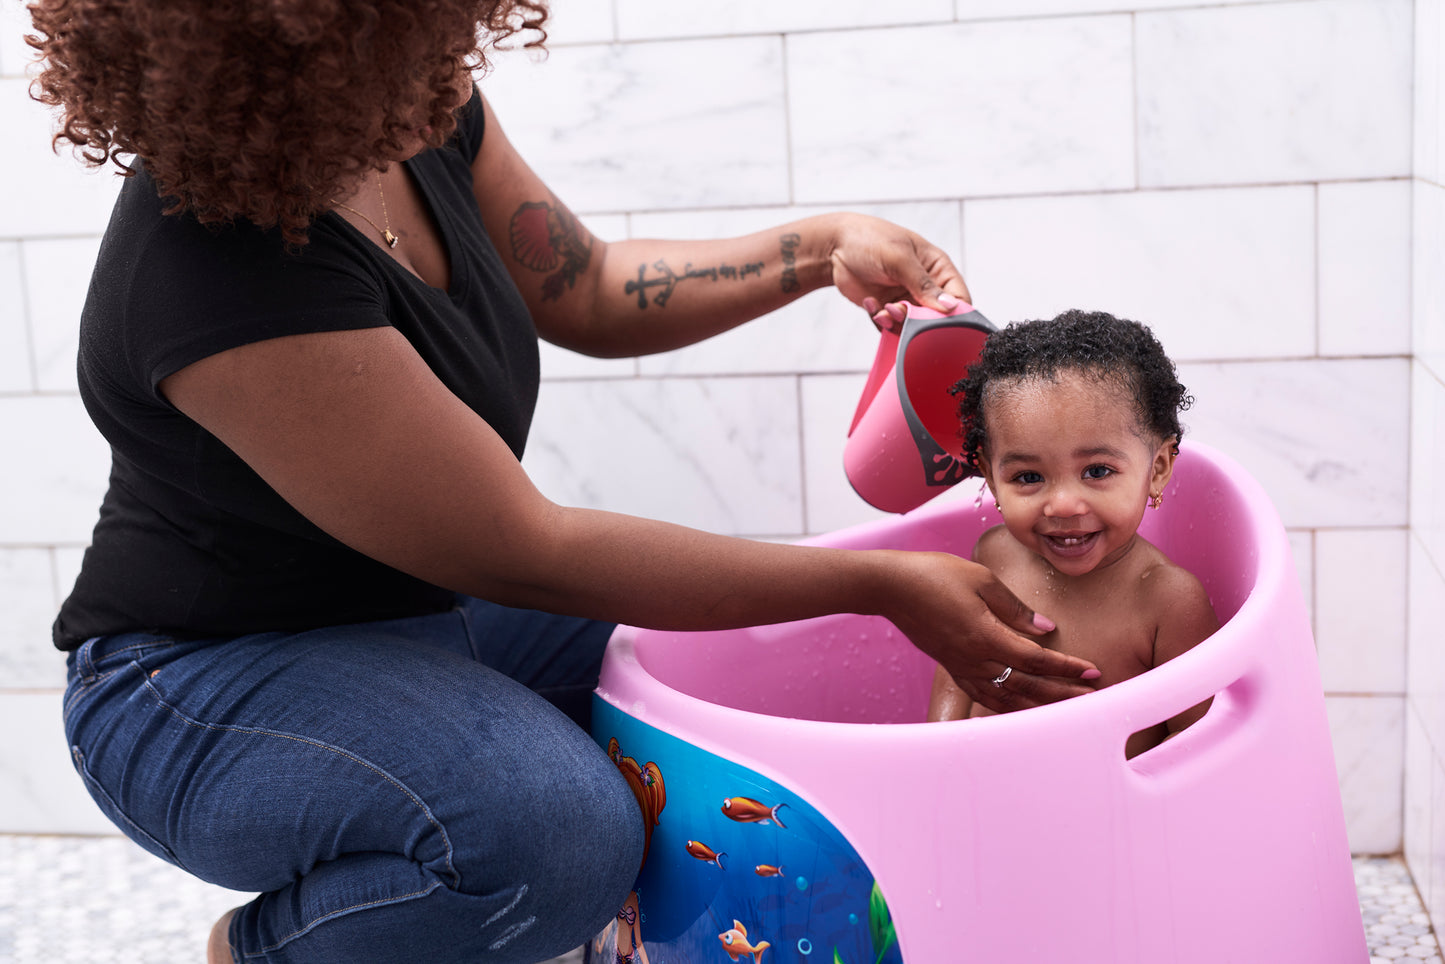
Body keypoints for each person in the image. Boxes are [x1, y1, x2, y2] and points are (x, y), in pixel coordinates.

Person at [27, 2, 1103, 962]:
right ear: (302, 47)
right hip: (200, 685)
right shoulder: (214, 270)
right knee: (556, 836)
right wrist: (881, 585)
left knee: (688, 673)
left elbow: (584, 286)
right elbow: (531, 547)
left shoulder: (406, 98)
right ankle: (264, 953)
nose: (452, 60)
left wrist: (820, 247)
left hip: (402, 608)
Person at [927, 310, 1220, 757]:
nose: (1063, 505)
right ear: (990, 477)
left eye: (1097, 471)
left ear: (1157, 469)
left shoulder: (1167, 600)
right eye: (1027, 477)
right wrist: (934, 750)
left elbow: (1198, 742)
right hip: (983, 801)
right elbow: (959, 666)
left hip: (1107, 818)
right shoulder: (994, 558)